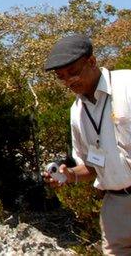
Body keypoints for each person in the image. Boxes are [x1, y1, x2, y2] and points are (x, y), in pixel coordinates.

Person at [43, 33, 131, 255]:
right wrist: (68, 174)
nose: (68, 81)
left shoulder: (127, 85)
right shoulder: (77, 113)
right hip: (115, 204)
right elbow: (91, 167)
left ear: (91, 62)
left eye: (73, 72)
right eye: (61, 76)